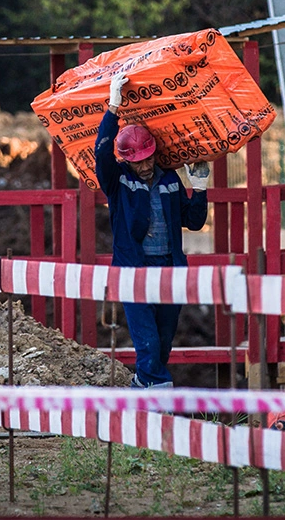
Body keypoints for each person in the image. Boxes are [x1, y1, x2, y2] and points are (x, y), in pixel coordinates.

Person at [95, 72, 210, 388]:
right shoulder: (118, 181)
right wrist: (113, 108)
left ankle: (141, 390)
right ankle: (160, 396)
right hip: (134, 270)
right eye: (138, 161)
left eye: (148, 158)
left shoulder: (170, 180)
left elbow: (194, 221)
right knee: (147, 342)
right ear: (127, 160)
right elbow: (102, 153)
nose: (145, 166)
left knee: (162, 340)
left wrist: (199, 188)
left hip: (169, 269)